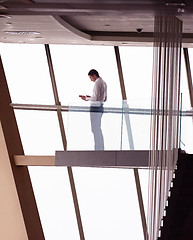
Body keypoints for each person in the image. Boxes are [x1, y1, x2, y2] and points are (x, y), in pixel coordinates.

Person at [79, 69, 107, 150]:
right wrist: (90, 97)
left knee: (94, 129)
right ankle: (100, 147)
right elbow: (104, 99)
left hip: (95, 107)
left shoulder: (97, 83)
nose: (90, 79)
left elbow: (96, 98)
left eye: (90, 77)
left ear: (94, 75)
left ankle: (98, 148)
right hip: (101, 106)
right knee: (97, 128)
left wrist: (87, 98)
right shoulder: (104, 83)